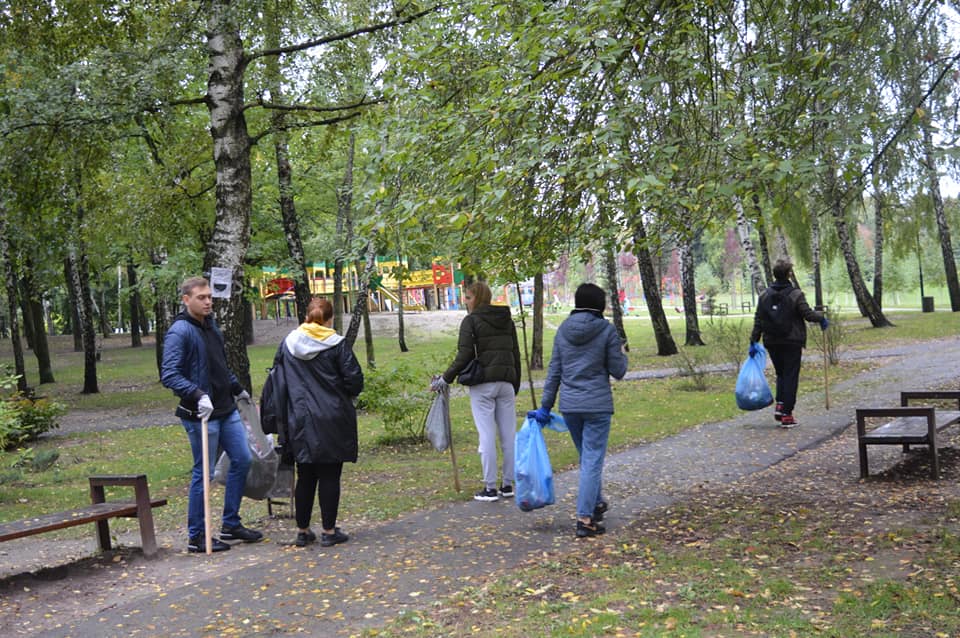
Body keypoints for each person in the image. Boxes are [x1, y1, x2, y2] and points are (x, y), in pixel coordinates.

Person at [161, 276, 263, 553]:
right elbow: (169, 374)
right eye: (201, 298)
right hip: (200, 414)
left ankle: (230, 524)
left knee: (242, 459)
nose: (208, 302)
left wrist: (238, 389)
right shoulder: (180, 332)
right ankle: (197, 536)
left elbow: (220, 366)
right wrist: (196, 394)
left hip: (226, 409)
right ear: (186, 300)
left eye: (209, 297)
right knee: (203, 473)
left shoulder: (211, 326)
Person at [531, 283, 628, 538]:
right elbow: (619, 371)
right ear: (599, 304)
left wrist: (545, 406)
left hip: (571, 406)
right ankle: (585, 519)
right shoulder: (607, 331)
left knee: (588, 458)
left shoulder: (563, 330)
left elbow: (554, 372)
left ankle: (596, 503)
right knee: (592, 460)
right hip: (597, 406)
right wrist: (622, 351)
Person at [267, 297, 364, 548]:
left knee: (305, 474)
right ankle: (329, 531)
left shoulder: (288, 344)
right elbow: (355, 380)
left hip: (298, 417)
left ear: (306, 317)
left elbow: (277, 378)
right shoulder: (337, 345)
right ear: (329, 319)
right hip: (332, 417)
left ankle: (303, 530)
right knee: (330, 474)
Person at [431, 281, 521, 502]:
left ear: (478, 298)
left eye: (469, 297)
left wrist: (445, 379)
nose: (465, 301)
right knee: (508, 436)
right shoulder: (506, 319)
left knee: (487, 435)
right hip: (506, 383)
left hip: (483, 385)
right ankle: (507, 485)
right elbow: (515, 353)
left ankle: (490, 488)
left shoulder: (471, 321)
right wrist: (514, 383)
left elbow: (464, 356)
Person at [749, 259, 828, 428]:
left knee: (781, 374)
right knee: (790, 376)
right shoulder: (796, 295)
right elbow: (808, 314)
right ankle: (787, 414)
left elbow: (758, 320)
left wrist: (753, 341)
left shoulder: (764, 295)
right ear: (788, 274)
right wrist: (821, 318)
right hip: (792, 341)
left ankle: (780, 405)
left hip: (772, 341)